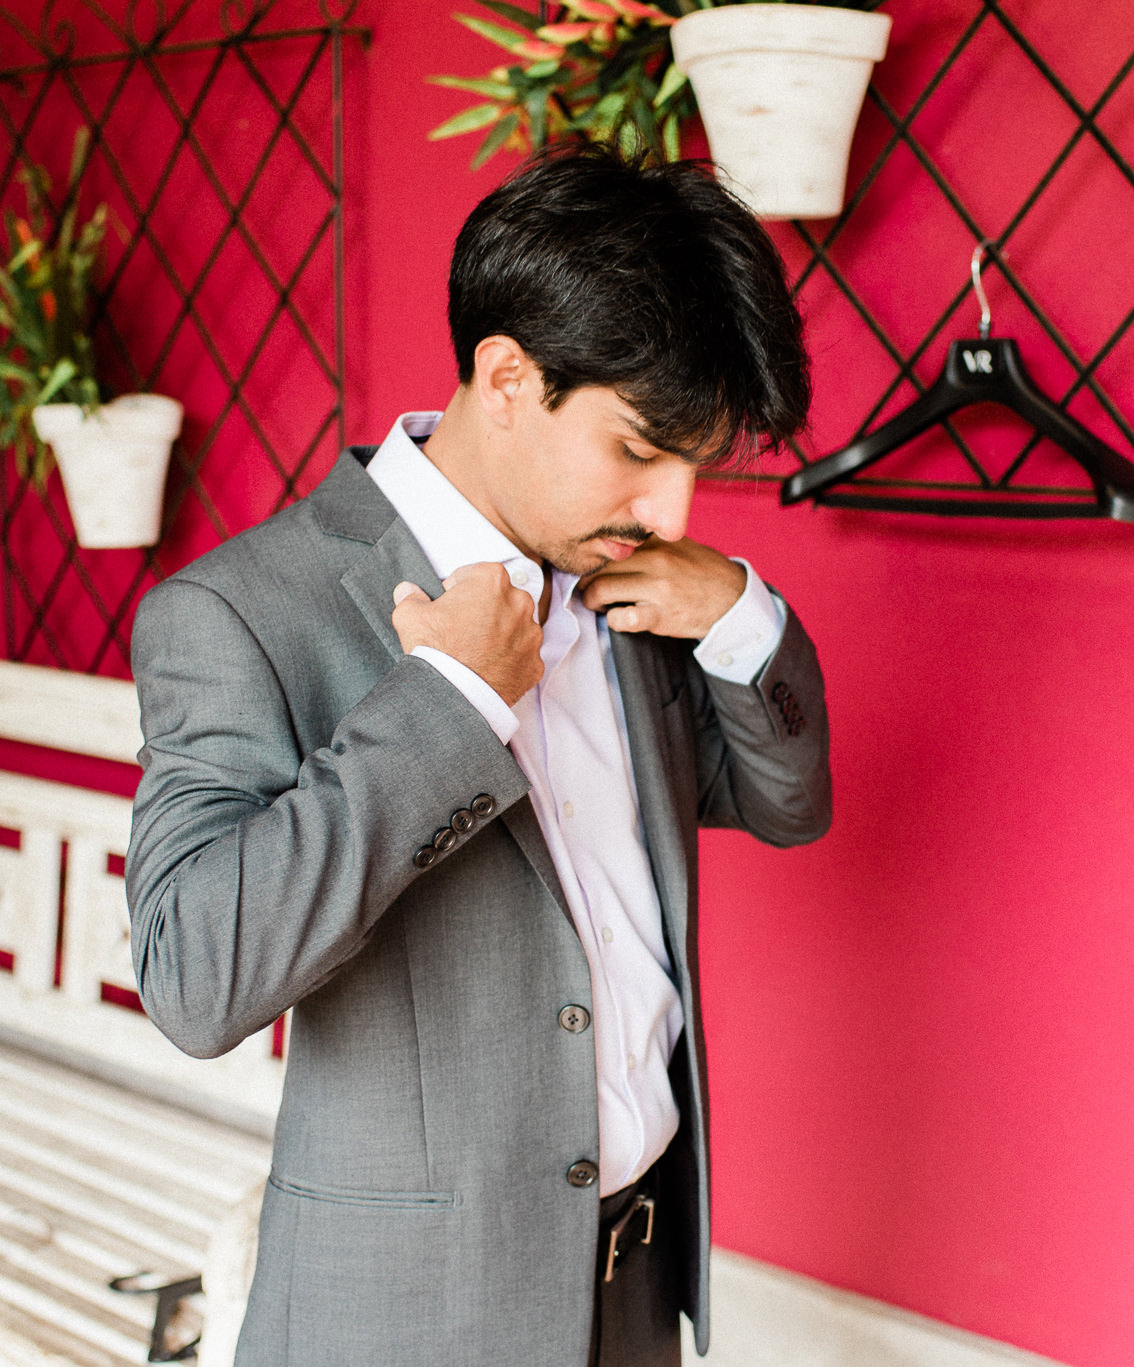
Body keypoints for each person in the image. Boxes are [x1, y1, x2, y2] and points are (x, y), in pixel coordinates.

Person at [124, 143, 833, 1367]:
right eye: (637, 449)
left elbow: (785, 805)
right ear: (506, 374)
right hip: (408, 1320)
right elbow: (195, 978)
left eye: (693, 468)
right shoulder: (243, 611)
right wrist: (447, 700)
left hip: (633, 1285)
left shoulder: (638, 584)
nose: (669, 511)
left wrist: (739, 616)